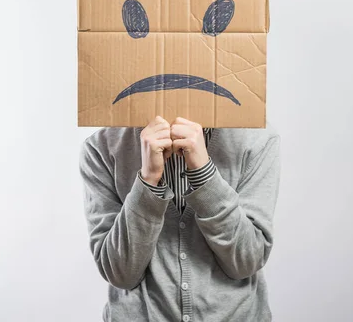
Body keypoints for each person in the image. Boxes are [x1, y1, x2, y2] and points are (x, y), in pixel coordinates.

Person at [79, 116, 281, 322]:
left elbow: (247, 260)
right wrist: (148, 180)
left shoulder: (257, 139)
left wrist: (204, 174)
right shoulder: (101, 147)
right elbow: (120, 273)